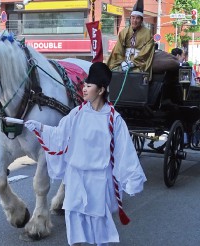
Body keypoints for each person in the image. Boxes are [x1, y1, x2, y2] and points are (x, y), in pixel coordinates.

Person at [24, 62, 147, 246]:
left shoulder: (113, 119)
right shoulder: (77, 113)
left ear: (101, 90)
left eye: (89, 86)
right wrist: (40, 128)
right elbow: (59, 134)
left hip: (98, 178)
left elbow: (124, 151)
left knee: (98, 222)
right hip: (75, 176)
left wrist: (132, 178)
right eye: (84, 85)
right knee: (74, 219)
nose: (84, 88)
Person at [107, 0, 154, 73]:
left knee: (137, 74)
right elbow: (118, 50)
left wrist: (133, 63)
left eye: (137, 18)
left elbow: (146, 52)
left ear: (141, 20)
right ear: (130, 18)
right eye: (133, 18)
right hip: (123, 62)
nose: (134, 21)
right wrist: (122, 62)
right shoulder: (124, 32)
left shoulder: (147, 33)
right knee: (112, 71)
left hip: (139, 64)